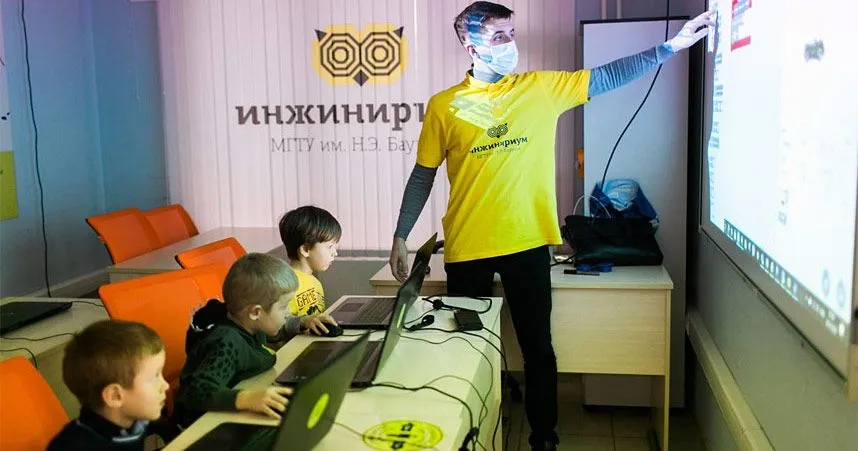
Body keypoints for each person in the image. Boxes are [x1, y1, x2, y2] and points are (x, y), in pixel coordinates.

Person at [387, 2, 714, 450]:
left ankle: (544, 438)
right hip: (467, 246)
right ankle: (475, 435)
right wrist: (401, 235)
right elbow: (422, 175)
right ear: (471, 47)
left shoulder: (540, 88)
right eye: (498, 36)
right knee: (468, 351)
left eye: (511, 33)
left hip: (528, 244)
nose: (510, 43)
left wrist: (671, 47)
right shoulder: (445, 106)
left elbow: (607, 76)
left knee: (538, 349)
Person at [172, 253, 330, 427]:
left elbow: (274, 332)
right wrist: (247, 399)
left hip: (240, 403)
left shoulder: (247, 323)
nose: (288, 313)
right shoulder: (226, 342)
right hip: (204, 426)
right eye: (284, 307)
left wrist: (302, 322)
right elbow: (197, 392)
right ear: (255, 312)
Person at [48, 320, 169, 451]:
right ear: (115, 396)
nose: (165, 386)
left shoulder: (136, 413)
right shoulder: (72, 447)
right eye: (155, 376)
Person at [278, 205, 341, 324]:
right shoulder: (284, 286)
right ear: (305, 250)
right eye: (330, 247)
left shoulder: (314, 282)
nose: (335, 253)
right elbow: (278, 326)